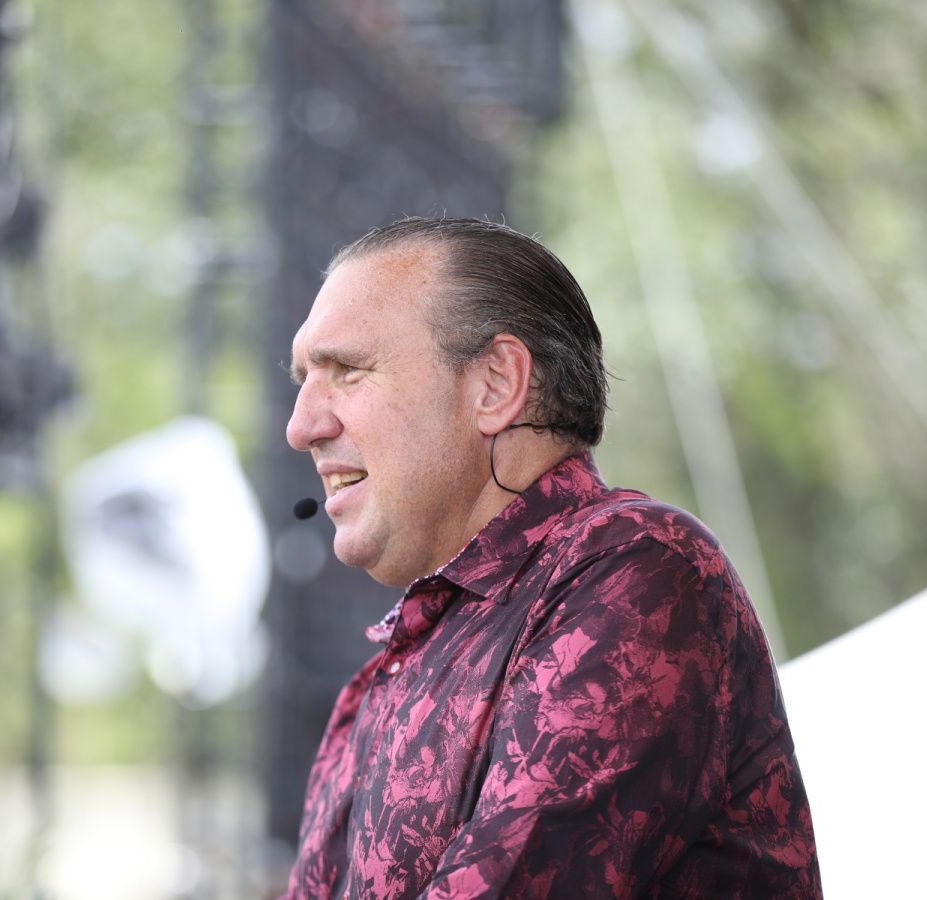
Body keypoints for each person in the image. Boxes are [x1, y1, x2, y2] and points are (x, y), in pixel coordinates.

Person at [282, 217, 821, 898]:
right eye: (303, 379)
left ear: (496, 383)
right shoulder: (378, 683)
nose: (301, 426)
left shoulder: (640, 571)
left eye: (348, 371)